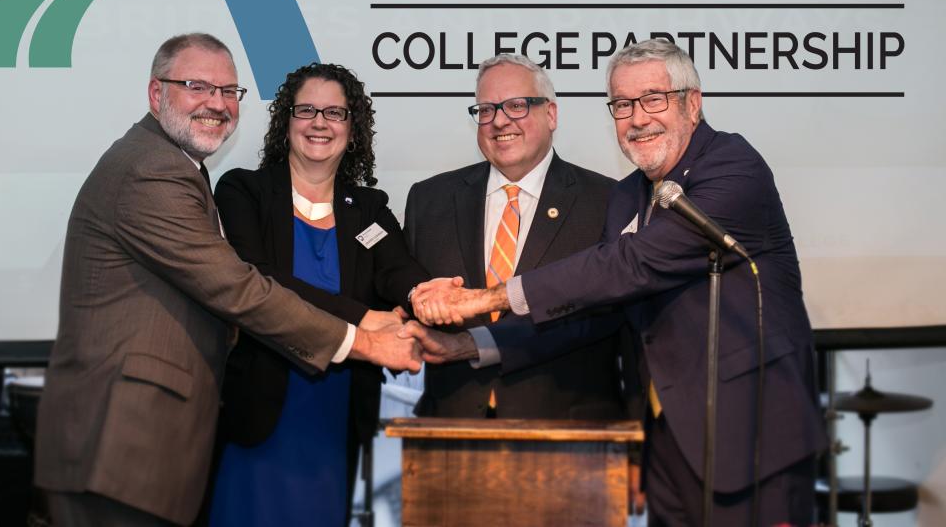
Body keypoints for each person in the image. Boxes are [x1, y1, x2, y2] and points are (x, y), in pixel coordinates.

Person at [410, 39, 826, 526]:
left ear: (692, 103)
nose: (638, 118)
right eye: (622, 105)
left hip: (751, 437)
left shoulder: (733, 166)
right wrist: (467, 346)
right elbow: (591, 313)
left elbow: (630, 264)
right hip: (670, 440)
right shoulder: (629, 195)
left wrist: (485, 298)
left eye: (654, 99)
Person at [35, 34, 420, 527]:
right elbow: (240, 288)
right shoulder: (155, 172)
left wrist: (426, 296)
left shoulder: (179, 169)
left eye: (228, 91)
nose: (216, 103)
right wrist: (365, 338)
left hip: (155, 443)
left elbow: (394, 268)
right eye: (196, 86)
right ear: (157, 94)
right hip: (124, 442)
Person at [207, 63, 427, 526]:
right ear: (286, 121)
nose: (320, 123)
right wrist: (363, 318)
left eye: (335, 112)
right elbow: (260, 281)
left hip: (337, 417)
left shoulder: (368, 207)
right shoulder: (243, 191)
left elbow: (398, 270)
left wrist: (426, 292)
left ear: (353, 126)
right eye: (306, 110)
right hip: (261, 412)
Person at [404, 53, 639, 423]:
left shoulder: (610, 201)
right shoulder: (428, 200)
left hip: (570, 433)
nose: (499, 121)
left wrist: (474, 345)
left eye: (516, 105)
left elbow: (604, 314)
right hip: (448, 430)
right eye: (486, 109)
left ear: (551, 114)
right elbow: (407, 294)